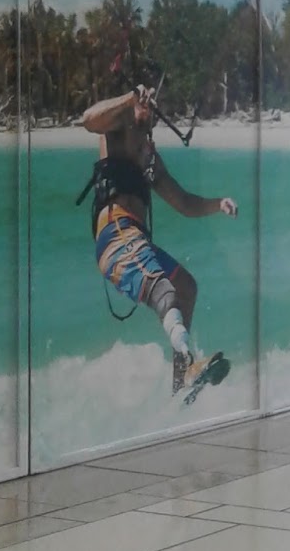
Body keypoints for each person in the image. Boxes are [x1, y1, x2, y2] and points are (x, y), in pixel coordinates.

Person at [78, 84, 237, 401]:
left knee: (186, 287)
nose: (150, 104)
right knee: (163, 288)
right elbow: (89, 119)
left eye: (153, 100)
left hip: (136, 241)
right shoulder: (115, 132)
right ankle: (188, 364)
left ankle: (180, 384)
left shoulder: (148, 157)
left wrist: (218, 204)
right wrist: (128, 99)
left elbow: (184, 202)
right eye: (145, 99)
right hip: (117, 236)